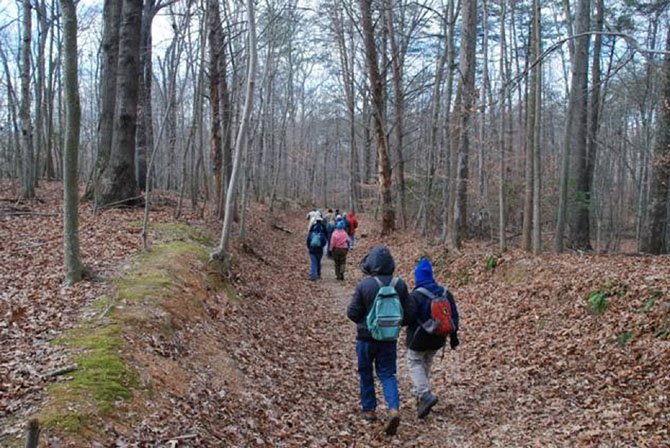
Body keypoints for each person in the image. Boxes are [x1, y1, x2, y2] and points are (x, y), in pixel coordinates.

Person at [347, 246, 415, 436]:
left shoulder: (364, 285)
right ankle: (393, 408)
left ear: (371, 264)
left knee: (365, 372)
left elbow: (352, 313)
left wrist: (366, 322)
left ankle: (369, 411)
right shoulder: (399, 284)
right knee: (387, 374)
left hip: (365, 339)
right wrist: (393, 325)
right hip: (388, 340)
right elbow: (409, 315)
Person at [405, 258, 460, 419]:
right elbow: (453, 317)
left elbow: (409, 318)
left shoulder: (416, 295)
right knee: (426, 362)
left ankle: (424, 394)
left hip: (418, 339)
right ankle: (419, 395)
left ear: (418, 276)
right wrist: (453, 337)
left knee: (414, 361)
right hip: (438, 338)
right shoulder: (445, 292)